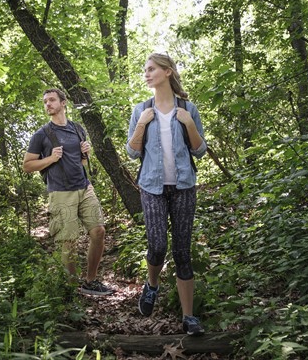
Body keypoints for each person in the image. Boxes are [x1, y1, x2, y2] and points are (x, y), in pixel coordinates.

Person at [126, 53, 207, 336]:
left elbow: (199, 150)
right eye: (145, 70)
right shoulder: (141, 110)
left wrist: (189, 124)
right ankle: (153, 286)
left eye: (151, 69)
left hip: (184, 186)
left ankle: (189, 317)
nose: (146, 74)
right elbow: (133, 151)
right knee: (158, 246)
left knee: (183, 253)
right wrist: (140, 125)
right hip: (152, 187)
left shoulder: (188, 108)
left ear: (167, 72)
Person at [22, 88, 113, 296]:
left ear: (63, 103)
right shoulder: (42, 134)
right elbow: (27, 165)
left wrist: (85, 154)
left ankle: (90, 281)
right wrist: (50, 159)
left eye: (52, 100)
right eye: (45, 101)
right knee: (68, 241)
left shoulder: (77, 129)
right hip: (61, 192)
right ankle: (71, 289)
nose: (48, 104)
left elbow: (79, 162)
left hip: (84, 186)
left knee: (98, 231)